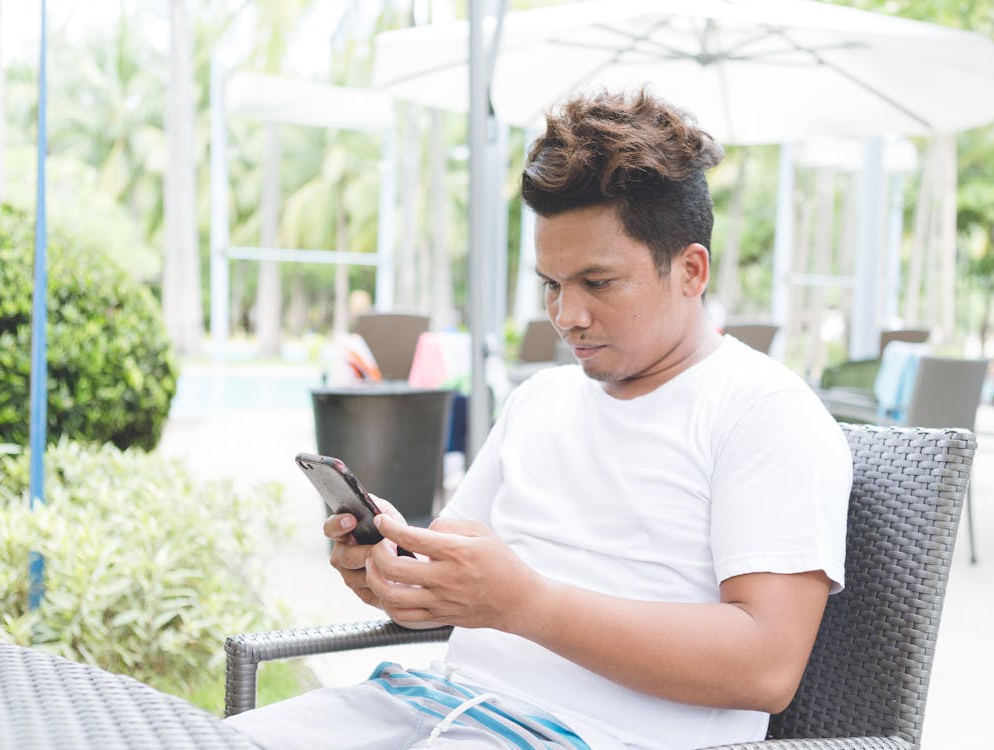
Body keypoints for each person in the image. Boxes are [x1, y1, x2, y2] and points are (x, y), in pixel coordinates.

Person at [226, 89, 852, 750]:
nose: (566, 316)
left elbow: (765, 667)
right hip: (425, 705)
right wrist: (391, 571)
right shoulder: (540, 399)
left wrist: (524, 603)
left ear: (690, 270)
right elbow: (455, 586)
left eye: (597, 282)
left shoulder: (763, 413)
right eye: (552, 284)